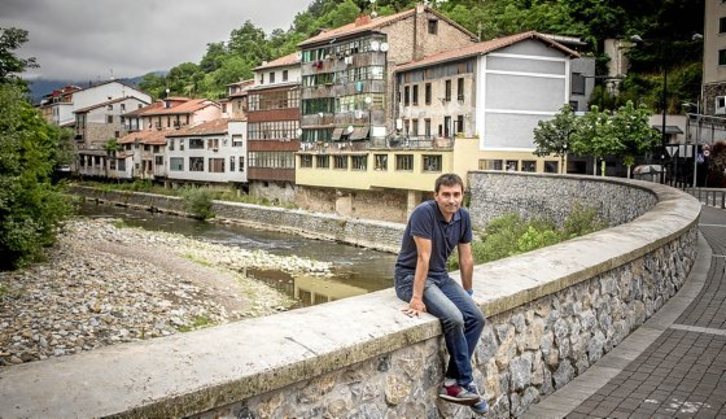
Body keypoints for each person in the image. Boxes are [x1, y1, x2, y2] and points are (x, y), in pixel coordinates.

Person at [394, 173, 488, 414]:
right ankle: (464, 383)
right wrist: (416, 298)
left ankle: (452, 380)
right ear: (436, 196)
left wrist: (468, 292)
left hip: (440, 277)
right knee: (454, 318)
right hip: (410, 278)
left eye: (456, 194)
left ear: (462, 195)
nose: (451, 200)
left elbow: (466, 259)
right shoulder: (423, 213)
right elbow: (423, 257)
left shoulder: (463, 217)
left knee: (476, 318)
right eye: (446, 195)